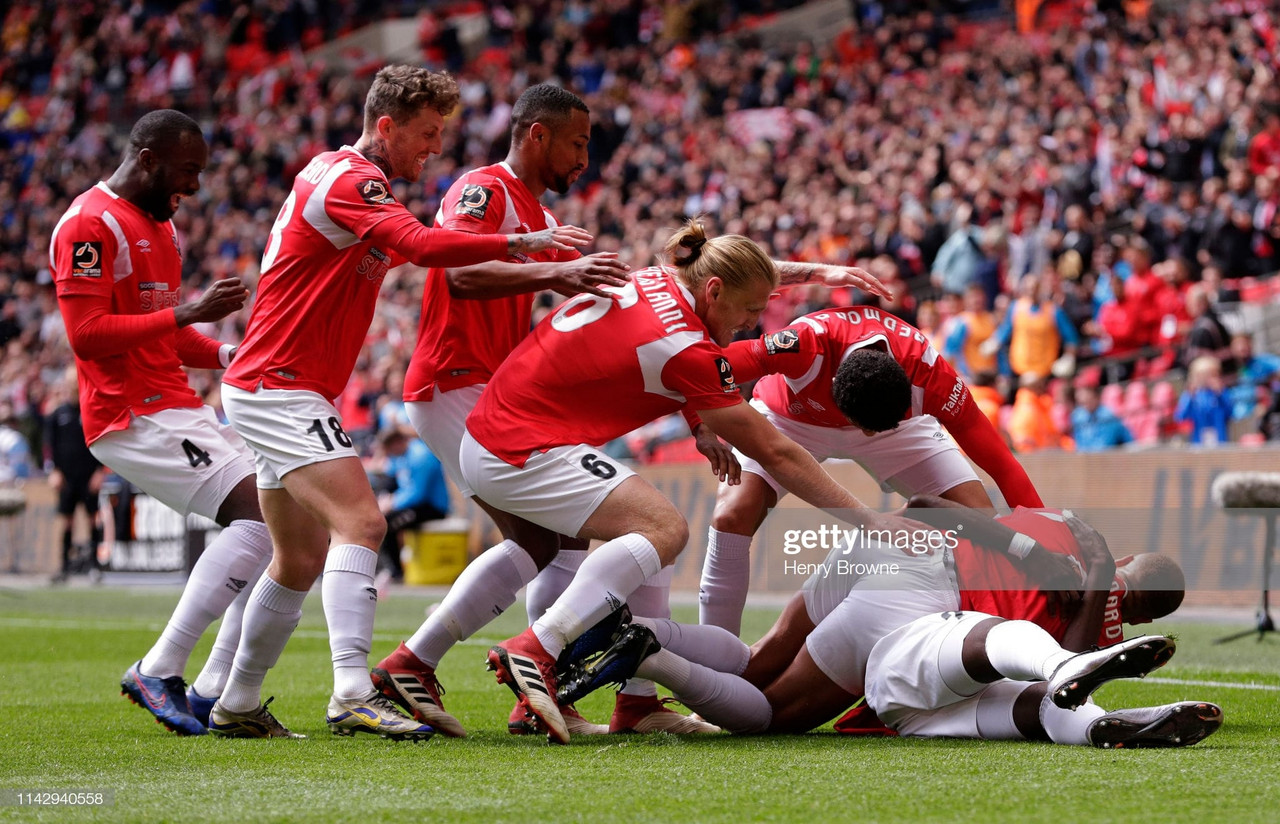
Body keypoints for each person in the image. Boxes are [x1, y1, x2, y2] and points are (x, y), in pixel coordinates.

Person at [375, 84, 891, 738]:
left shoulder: (617, 257)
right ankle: (534, 664)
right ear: (538, 134)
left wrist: (817, 271)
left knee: (564, 544)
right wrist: (548, 269)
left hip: (501, 399)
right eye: (579, 142)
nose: (586, 158)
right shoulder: (488, 192)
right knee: (598, 542)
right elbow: (456, 275)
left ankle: (596, 691)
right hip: (463, 389)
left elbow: (707, 281)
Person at [215, 65, 586, 740]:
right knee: (363, 525)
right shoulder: (354, 180)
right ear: (385, 127)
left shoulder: (345, 180)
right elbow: (419, 247)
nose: (434, 148)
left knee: (297, 559)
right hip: (280, 387)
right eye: (425, 133)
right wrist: (523, 243)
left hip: (278, 385)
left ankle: (235, 701)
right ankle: (353, 690)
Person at [465, 219, 904, 744]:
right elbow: (778, 452)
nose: (750, 324)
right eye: (748, 312)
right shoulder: (689, 347)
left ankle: (637, 703)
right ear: (715, 292)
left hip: (504, 429)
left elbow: (736, 273)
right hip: (516, 445)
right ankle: (537, 648)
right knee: (665, 529)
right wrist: (869, 519)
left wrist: (819, 273)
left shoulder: (667, 274)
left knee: (649, 540)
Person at [561, 503, 1218, 749]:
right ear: (1144, 615)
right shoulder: (1105, 627)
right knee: (772, 716)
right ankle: (649, 652)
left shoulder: (1070, 523)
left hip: (894, 543)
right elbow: (1076, 645)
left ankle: (647, 630)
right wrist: (1098, 589)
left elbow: (937, 506)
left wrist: (1030, 552)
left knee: (758, 659)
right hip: (920, 601)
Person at [48, 109, 273, 737]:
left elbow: (163, 333)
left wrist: (225, 352)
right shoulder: (89, 226)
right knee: (262, 514)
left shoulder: (160, 227)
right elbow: (88, 337)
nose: (195, 185)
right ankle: (161, 669)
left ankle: (209, 691)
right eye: (188, 170)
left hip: (173, 403)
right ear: (147, 158)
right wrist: (190, 314)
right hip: (128, 412)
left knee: (289, 519)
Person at [699, 304, 1044, 635]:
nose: (862, 436)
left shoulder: (931, 375)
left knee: (979, 520)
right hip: (790, 416)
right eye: (860, 426)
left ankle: (969, 630)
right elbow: (705, 367)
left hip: (895, 426)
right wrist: (702, 423)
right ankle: (714, 662)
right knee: (732, 515)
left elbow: (1002, 464)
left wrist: (1046, 536)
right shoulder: (805, 344)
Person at [43, 372, 105, 582]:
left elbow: (103, 442)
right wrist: (54, 470)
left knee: (92, 519)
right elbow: (48, 447)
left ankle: (95, 566)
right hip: (67, 477)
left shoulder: (92, 412)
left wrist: (100, 471)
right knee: (67, 521)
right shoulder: (57, 415)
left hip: (88, 476)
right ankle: (64, 566)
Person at [372, 424, 450, 583]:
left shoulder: (420, 456)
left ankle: (395, 571)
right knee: (384, 514)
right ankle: (393, 570)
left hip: (432, 507)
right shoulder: (402, 456)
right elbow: (392, 477)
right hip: (416, 504)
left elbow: (418, 493)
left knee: (388, 523)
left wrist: (392, 503)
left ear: (397, 443)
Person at [1070, 384, 1132, 452]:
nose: (1085, 406)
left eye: (1088, 400)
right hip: (1088, 458)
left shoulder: (1109, 416)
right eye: (1082, 403)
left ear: (1097, 397)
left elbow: (1105, 445)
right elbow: (1079, 443)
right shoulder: (1078, 416)